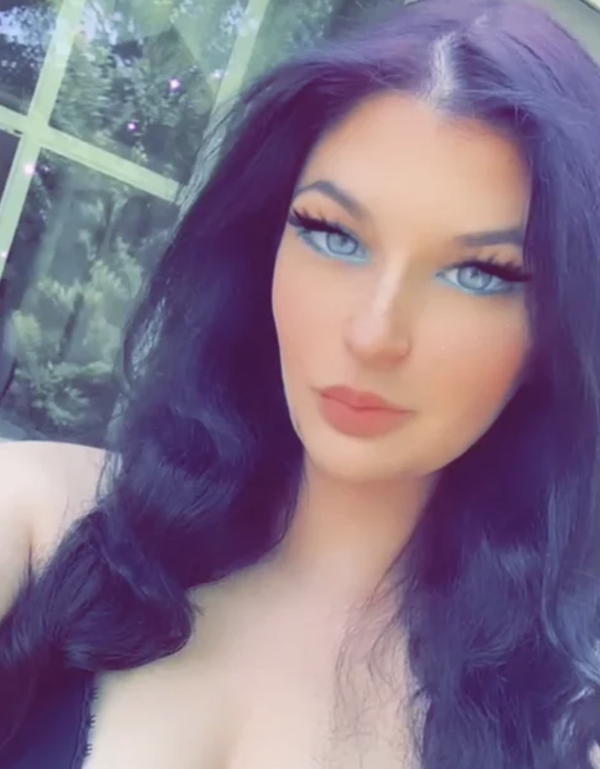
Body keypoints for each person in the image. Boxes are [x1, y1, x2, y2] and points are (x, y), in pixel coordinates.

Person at [0, 0, 599, 766]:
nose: (374, 334)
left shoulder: (556, 737)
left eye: (479, 273)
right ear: (265, 246)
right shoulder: (38, 522)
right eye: (332, 234)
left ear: (558, 334)